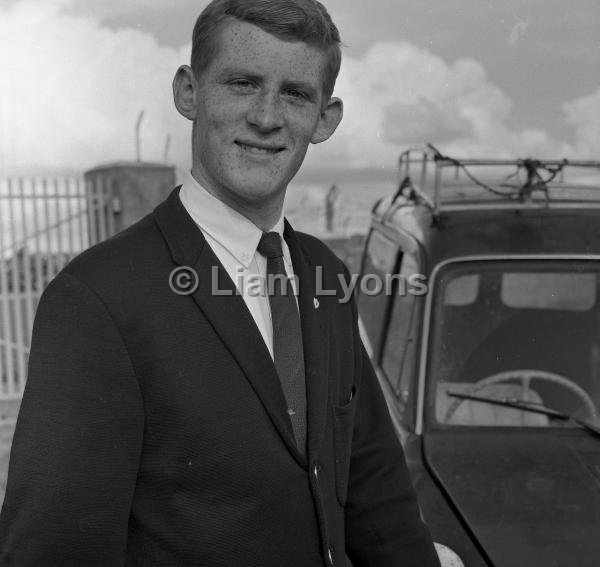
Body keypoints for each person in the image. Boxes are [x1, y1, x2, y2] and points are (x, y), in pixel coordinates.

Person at [0, 1, 441, 565]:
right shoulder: (97, 299)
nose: (266, 116)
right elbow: (56, 551)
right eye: (241, 83)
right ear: (189, 91)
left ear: (325, 119)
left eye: (295, 94)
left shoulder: (325, 275)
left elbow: (375, 491)